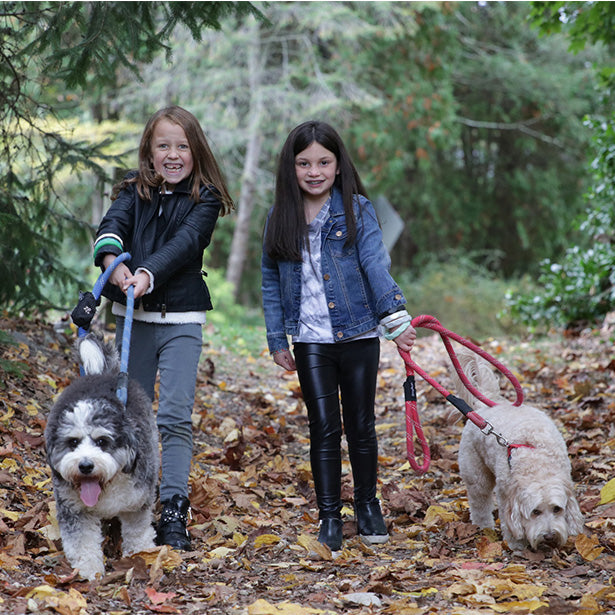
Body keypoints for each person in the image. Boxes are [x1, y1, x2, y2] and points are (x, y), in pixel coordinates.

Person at [261, 120, 416, 552]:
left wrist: (396, 317)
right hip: (310, 339)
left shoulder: (357, 209)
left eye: (323, 162)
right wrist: (278, 338)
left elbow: (374, 263)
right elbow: (270, 280)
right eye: (304, 163)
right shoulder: (280, 217)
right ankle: (330, 515)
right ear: (290, 168)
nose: (314, 171)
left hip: (359, 334)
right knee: (324, 427)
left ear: (337, 164)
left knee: (361, 425)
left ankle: (368, 506)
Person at [92, 106, 233, 550]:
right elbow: (111, 229)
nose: (173, 154)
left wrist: (147, 273)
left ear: (196, 151)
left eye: (182, 146)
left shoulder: (205, 199)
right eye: (163, 145)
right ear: (149, 152)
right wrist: (112, 265)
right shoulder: (132, 192)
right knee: (129, 414)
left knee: (173, 416)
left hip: (181, 319)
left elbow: (183, 244)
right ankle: (130, 503)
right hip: (134, 320)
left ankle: (173, 508)